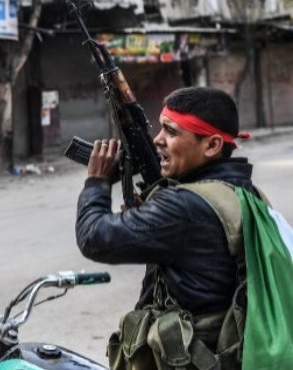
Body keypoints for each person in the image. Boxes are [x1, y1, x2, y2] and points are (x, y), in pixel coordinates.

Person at [76, 86, 257, 369]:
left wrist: (97, 182)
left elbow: (94, 237)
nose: (158, 140)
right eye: (160, 128)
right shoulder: (242, 190)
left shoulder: (185, 206)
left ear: (211, 145)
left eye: (171, 132)